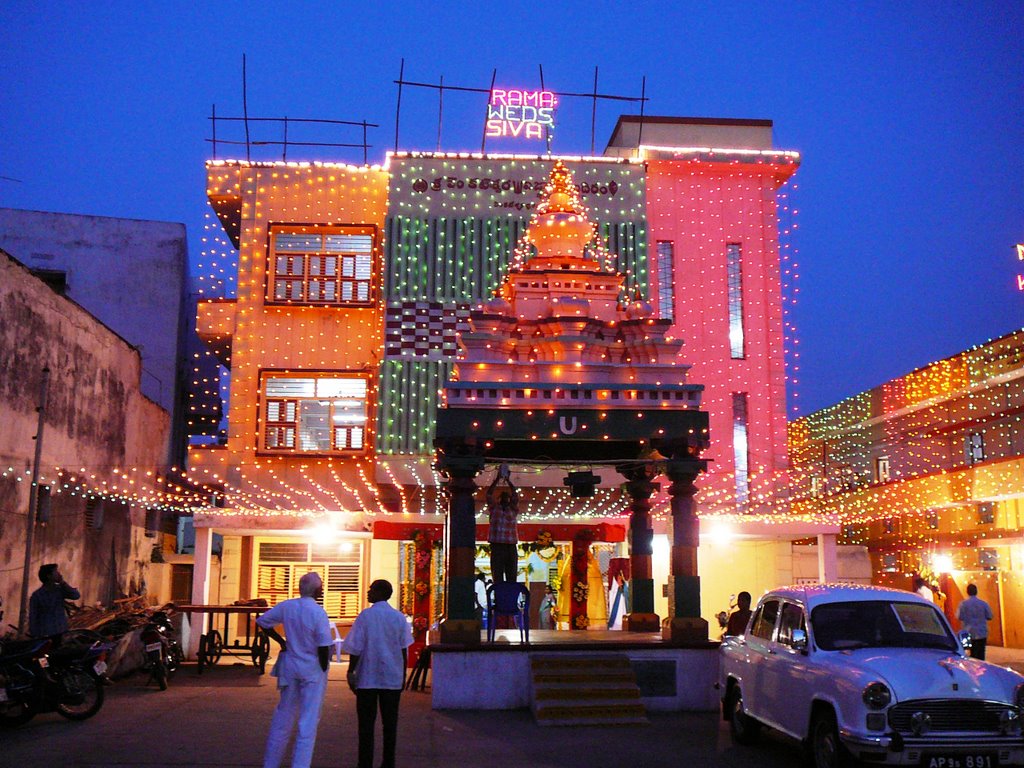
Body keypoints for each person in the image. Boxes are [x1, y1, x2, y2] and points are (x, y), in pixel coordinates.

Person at [256, 571, 332, 768]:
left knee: (283, 717)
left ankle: (270, 764)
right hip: (312, 669)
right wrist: (324, 670)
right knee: (307, 722)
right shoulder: (318, 612)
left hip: (290, 668)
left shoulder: (287, 606)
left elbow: (262, 621)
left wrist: (282, 642)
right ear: (317, 590)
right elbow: (324, 646)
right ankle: (300, 764)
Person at [342, 579, 414, 768]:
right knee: (390, 725)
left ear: (381, 593)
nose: (368, 592)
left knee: (366, 726)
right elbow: (403, 649)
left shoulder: (365, 616)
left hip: (368, 678)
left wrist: (351, 671)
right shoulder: (399, 618)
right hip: (391, 678)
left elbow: (356, 647)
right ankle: (388, 763)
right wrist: (402, 675)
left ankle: (365, 763)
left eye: (371, 589)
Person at [486, 464, 519, 583]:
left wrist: (509, 481)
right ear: (499, 499)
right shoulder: (495, 509)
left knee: (512, 577)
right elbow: (489, 495)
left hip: (510, 547)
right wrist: (497, 479)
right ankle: (499, 599)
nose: (505, 498)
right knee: (497, 576)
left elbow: (515, 496)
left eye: (507, 497)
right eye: (502, 497)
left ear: (509, 499)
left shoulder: (513, 509)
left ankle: (510, 599)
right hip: (497, 546)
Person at [29, 563, 80, 639]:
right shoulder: (37, 595)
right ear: (49, 576)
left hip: (61, 630)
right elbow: (33, 616)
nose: (59, 574)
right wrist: (35, 634)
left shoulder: (60, 589)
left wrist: (63, 582)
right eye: (55, 572)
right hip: (46, 633)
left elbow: (76, 595)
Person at [957, 583, 994, 660]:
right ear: (976, 591)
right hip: (982, 632)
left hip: (968, 632)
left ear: (967, 592)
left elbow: (960, 617)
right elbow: (990, 616)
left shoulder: (963, 604)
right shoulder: (983, 603)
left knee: (971, 654)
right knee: (981, 654)